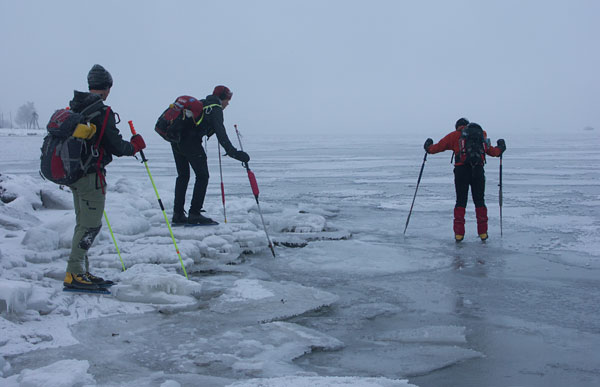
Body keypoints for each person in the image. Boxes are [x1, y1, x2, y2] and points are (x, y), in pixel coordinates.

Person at [63, 64, 146, 291]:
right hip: (92, 176)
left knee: (83, 224)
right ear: (107, 88)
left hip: (75, 175)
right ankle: (74, 273)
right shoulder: (102, 111)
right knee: (90, 226)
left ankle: (81, 271)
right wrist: (135, 146)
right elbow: (117, 146)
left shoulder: (76, 108)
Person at [170, 85, 250, 225]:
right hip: (190, 142)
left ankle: (178, 214)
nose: (228, 103)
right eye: (228, 100)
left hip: (176, 140)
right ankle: (194, 213)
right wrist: (235, 153)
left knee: (183, 176)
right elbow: (221, 133)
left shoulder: (203, 103)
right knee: (202, 176)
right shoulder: (215, 109)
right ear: (222, 98)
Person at [424, 118, 506, 242]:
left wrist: (428, 146)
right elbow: (493, 152)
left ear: (457, 126)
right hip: (478, 170)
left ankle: (459, 234)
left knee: (461, 201)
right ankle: (483, 233)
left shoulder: (454, 136)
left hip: (461, 171)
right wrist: (501, 147)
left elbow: (436, 148)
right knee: (479, 200)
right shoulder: (480, 135)